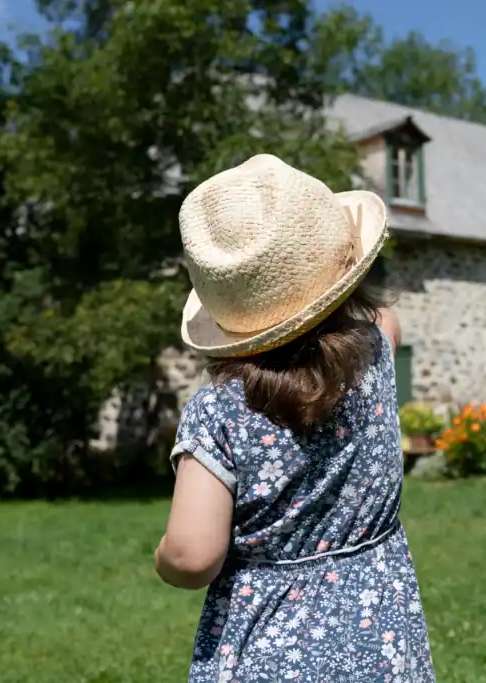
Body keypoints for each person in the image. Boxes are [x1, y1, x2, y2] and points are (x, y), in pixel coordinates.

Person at [153, 154, 437, 681]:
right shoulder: (377, 353)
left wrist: (164, 555)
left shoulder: (218, 411)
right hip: (381, 631)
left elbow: (193, 556)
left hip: (268, 643)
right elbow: (382, 319)